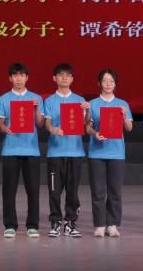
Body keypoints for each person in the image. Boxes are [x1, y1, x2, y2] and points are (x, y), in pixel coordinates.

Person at [40, 63, 90, 238]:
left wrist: (88, 110)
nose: (64, 77)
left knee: (72, 190)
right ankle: (55, 222)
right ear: (54, 78)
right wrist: (53, 129)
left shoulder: (79, 100)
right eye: (60, 75)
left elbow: (86, 123)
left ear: (72, 79)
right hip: (55, 152)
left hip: (75, 152)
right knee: (54, 191)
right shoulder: (49, 101)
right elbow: (47, 123)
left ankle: (70, 222)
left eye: (67, 75)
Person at [0, 63, 44, 238]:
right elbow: (0, 123)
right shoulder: (3, 99)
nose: (18, 79)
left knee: (33, 190)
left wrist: (36, 109)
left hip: (31, 150)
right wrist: (5, 128)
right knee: (9, 190)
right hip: (11, 150)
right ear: (10, 78)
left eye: (22, 75)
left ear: (27, 77)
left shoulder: (36, 98)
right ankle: (10, 225)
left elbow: (40, 123)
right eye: (15, 75)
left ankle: (33, 225)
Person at [86, 68, 133, 238]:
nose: (108, 84)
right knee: (98, 192)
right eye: (105, 80)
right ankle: (99, 224)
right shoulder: (92, 104)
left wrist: (124, 116)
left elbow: (129, 128)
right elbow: (88, 127)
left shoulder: (122, 104)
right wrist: (95, 134)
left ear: (115, 84)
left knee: (115, 192)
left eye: (111, 81)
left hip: (116, 153)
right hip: (96, 153)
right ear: (99, 83)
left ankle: (112, 224)